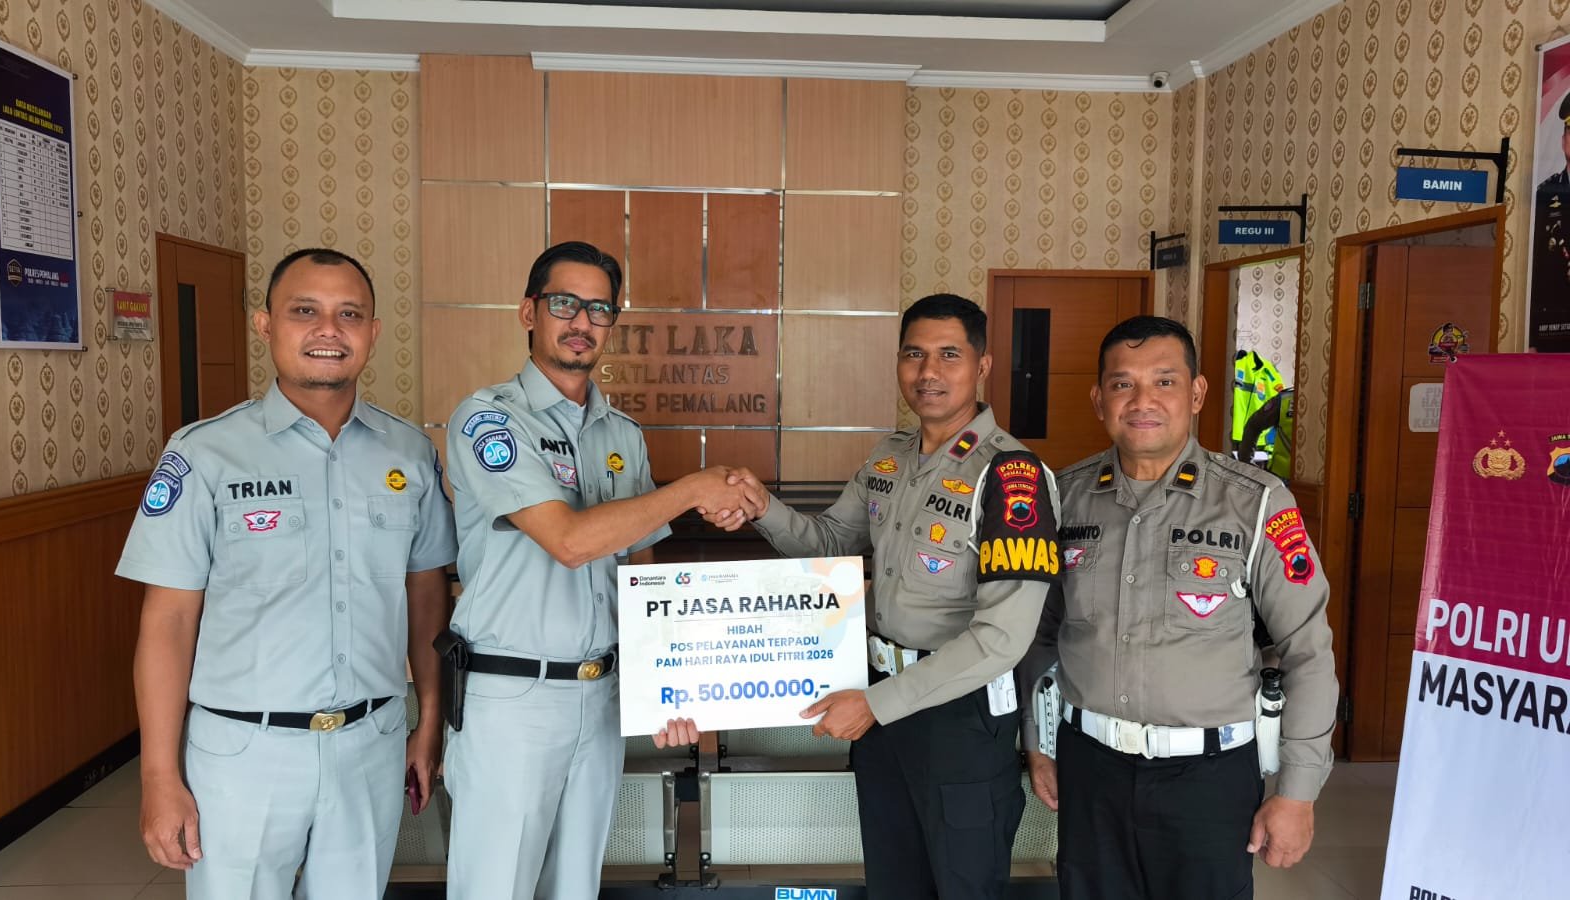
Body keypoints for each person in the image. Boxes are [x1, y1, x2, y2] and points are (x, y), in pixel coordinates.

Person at [117, 248, 458, 898]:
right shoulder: (205, 454)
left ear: (372, 332)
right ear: (265, 323)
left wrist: (429, 720)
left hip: (371, 741)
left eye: (349, 314)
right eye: (305, 311)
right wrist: (158, 775)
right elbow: (168, 621)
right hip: (245, 751)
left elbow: (426, 597)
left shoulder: (409, 453)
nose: (329, 330)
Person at [710, 294, 1061, 899]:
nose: (929, 372)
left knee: (962, 886)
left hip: (958, 716)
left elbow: (1003, 638)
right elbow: (829, 543)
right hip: (881, 709)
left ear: (982, 366)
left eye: (949, 355)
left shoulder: (1012, 477)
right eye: (914, 355)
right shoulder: (888, 458)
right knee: (894, 882)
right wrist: (763, 507)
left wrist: (876, 704)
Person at [440, 240, 761, 899]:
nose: (581, 321)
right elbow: (569, 541)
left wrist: (665, 688)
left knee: (575, 887)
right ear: (529, 312)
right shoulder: (490, 418)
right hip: (512, 699)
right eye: (564, 304)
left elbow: (640, 575)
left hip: (601, 695)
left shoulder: (622, 435)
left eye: (599, 309)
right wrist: (692, 490)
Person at [1023, 315, 1338, 900]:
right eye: (1122, 384)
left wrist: (1297, 793)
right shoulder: (1063, 498)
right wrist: (1038, 743)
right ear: (1098, 399)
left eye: (1164, 382)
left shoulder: (1256, 503)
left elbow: (1308, 651)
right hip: (1090, 771)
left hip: (1208, 781)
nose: (1142, 401)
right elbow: (1040, 635)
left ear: (1196, 393)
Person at [1530, 91, 1570, 353]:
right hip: (1554, 333)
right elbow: (1536, 270)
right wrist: (1532, 338)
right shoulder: (1545, 194)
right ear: (1563, 140)